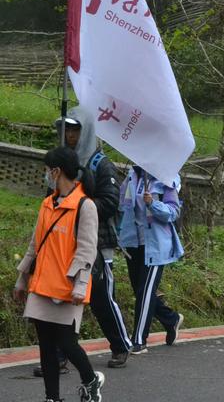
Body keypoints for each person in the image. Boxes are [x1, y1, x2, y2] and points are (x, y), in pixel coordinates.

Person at [13, 146, 104, 402]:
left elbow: (87, 250)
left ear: (56, 171)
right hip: (42, 285)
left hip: (67, 287)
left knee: (66, 344)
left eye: (47, 170)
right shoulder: (47, 203)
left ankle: (90, 380)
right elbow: (35, 245)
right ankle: (52, 398)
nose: (45, 175)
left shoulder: (85, 206)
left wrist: (80, 285)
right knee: (45, 346)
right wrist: (22, 279)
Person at [54, 106, 132, 369]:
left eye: (75, 130)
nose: (70, 136)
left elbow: (111, 203)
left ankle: (120, 345)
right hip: (65, 243)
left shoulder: (101, 164)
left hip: (99, 243)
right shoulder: (61, 164)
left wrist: (79, 206)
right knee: (62, 297)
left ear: (85, 131)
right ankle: (60, 355)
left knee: (101, 300)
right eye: (66, 130)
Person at [118, 166, 184, 354]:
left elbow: (173, 212)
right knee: (139, 290)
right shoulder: (131, 176)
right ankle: (170, 319)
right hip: (133, 242)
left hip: (156, 245)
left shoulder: (167, 179)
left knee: (145, 291)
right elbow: (122, 204)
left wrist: (152, 204)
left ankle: (138, 340)